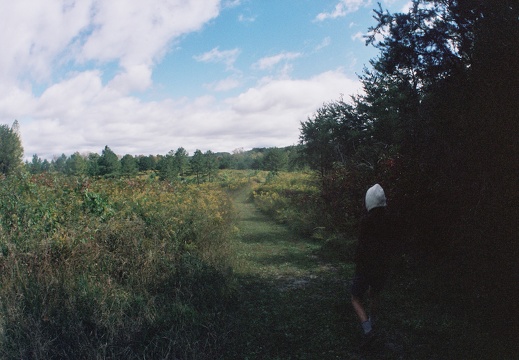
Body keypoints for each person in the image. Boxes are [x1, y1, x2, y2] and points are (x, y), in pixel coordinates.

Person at [351, 183, 397, 348]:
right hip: (383, 266)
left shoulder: (366, 221)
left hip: (365, 267)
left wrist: (357, 262)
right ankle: (373, 322)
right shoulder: (390, 220)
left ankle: (368, 330)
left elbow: (362, 246)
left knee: (355, 298)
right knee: (375, 294)